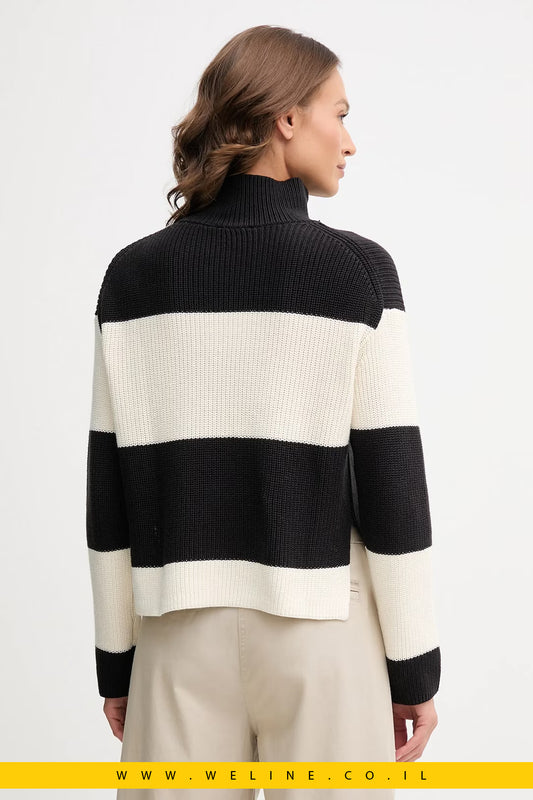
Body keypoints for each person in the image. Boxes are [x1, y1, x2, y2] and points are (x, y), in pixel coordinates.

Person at [85, 24, 440, 799]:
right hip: (322, 637)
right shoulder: (356, 273)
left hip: (175, 640)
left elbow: (109, 493)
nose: (349, 141)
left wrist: (117, 661)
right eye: (338, 114)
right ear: (286, 118)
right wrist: (413, 666)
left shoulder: (132, 277)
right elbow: (392, 485)